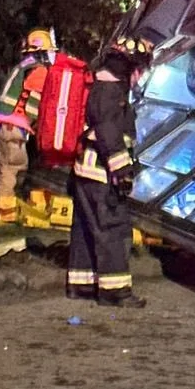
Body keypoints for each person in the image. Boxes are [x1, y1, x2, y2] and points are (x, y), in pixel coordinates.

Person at [66, 33, 153, 307]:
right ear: (130, 69)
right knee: (113, 229)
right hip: (102, 175)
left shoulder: (99, 89)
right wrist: (123, 171)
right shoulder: (112, 94)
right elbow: (110, 134)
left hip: (86, 173)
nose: (139, 77)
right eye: (139, 70)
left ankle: (82, 285)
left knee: (86, 229)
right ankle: (116, 292)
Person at [0, 28, 59, 222]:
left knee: (9, 167)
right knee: (13, 167)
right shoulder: (39, 71)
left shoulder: (22, 67)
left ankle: (3, 207)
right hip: (14, 127)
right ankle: (3, 211)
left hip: (3, 125)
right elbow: (34, 105)